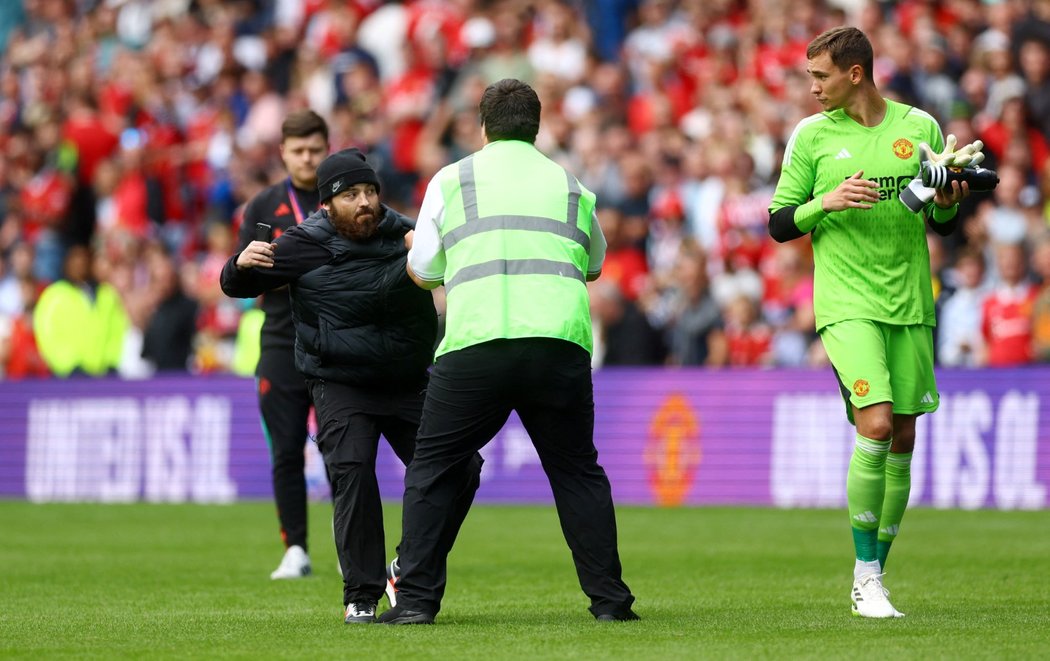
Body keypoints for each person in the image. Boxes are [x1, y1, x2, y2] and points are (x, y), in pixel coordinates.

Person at [377, 78, 638, 625]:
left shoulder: (453, 179)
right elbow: (594, 265)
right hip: (558, 342)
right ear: (537, 126)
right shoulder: (571, 185)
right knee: (576, 473)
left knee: (432, 470)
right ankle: (610, 603)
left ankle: (417, 603)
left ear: (482, 125)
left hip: (478, 341)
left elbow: (423, 272)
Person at [221, 148, 479, 624]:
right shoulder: (303, 243)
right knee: (354, 471)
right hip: (340, 383)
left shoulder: (407, 235)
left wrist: (433, 254)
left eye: (370, 191)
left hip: (406, 380)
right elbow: (237, 286)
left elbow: (456, 265)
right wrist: (239, 265)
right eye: (351, 194)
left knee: (461, 467)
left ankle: (406, 566)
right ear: (326, 205)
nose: (364, 202)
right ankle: (361, 592)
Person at [767, 27, 971, 618]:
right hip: (845, 304)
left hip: (908, 301)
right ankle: (864, 578)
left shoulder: (920, 128)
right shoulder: (811, 136)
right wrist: (822, 203)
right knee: (876, 425)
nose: (812, 89)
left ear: (855, 73)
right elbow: (779, 223)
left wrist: (949, 199)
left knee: (904, 435)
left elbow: (945, 222)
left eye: (820, 76)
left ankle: (877, 569)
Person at [236, 110, 328, 580]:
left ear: (326, 148)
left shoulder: (346, 199)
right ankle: (295, 548)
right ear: (283, 153)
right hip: (279, 343)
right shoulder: (263, 206)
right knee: (287, 451)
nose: (307, 158)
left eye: (315, 149)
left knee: (347, 451)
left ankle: (354, 541)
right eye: (298, 150)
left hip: (337, 343)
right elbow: (244, 276)